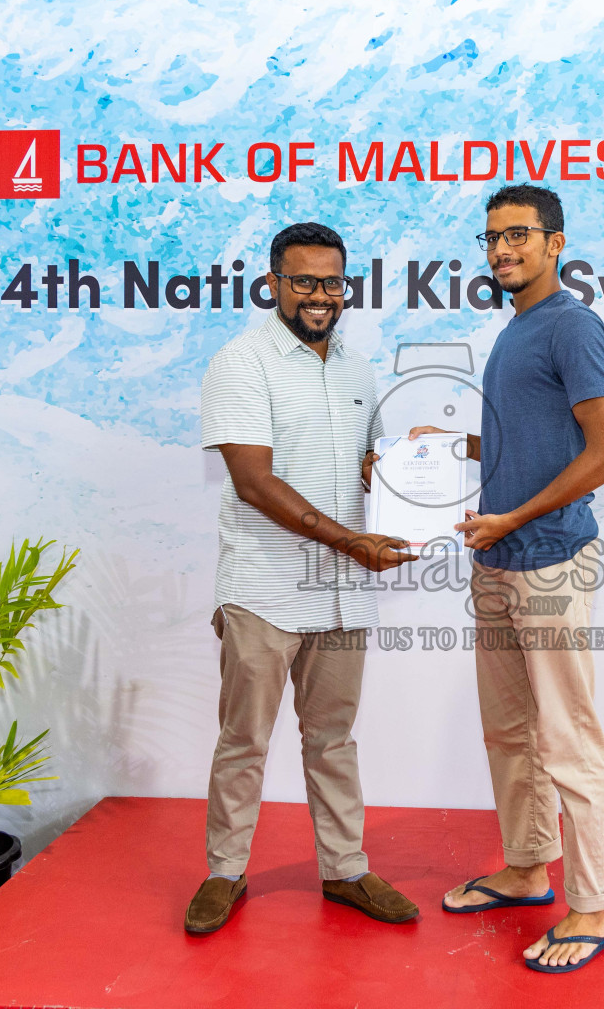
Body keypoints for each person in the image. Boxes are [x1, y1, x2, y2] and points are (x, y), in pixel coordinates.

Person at [411, 185, 604, 972]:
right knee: (509, 731)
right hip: (496, 561)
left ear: (555, 242)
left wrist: (510, 519)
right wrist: (450, 449)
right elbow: (536, 441)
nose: (503, 250)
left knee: (569, 736)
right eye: (492, 238)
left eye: (518, 237)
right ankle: (528, 865)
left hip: (552, 564)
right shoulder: (516, 331)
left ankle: (595, 903)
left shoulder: (571, 325)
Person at [185, 222, 420, 935]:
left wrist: (411, 474)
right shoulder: (241, 363)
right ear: (274, 284)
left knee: (333, 738)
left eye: (332, 282)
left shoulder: (356, 366)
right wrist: (353, 541)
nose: (320, 296)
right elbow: (255, 482)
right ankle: (224, 872)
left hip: (343, 593)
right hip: (263, 587)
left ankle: (345, 869)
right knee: (244, 740)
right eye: (305, 281)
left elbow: (361, 465)